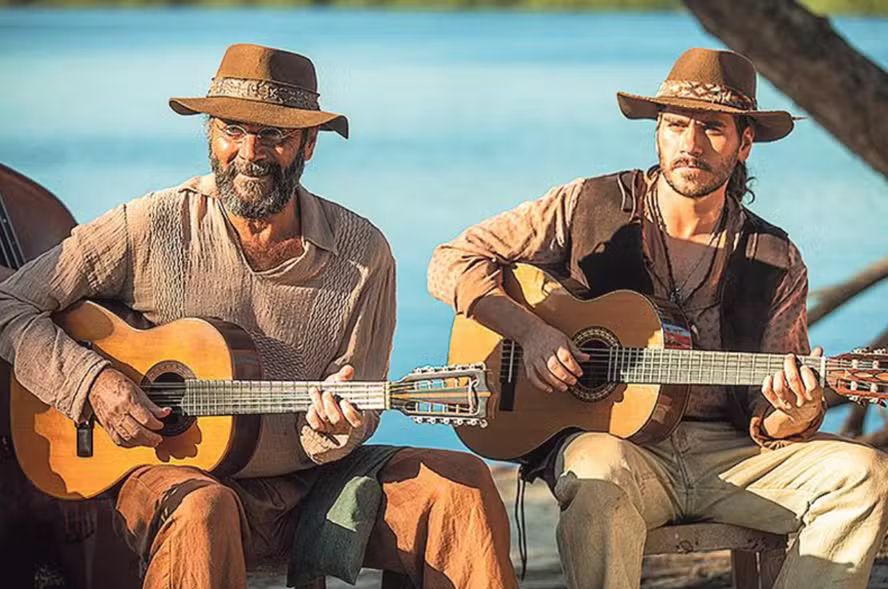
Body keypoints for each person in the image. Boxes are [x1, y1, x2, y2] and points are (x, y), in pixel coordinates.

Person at [0, 43, 517, 589]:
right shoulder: (149, 226)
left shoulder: (363, 254)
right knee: (204, 509)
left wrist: (332, 431)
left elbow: (355, 412)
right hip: (176, 479)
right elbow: (9, 301)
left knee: (460, 484)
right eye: (232, 129)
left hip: (316, 487)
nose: (250, 152)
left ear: (309, 145)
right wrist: (93, 383)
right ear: (209, 134)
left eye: (274, 135)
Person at [428, 47, 888, 588]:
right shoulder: (588, 205)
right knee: (596, 474)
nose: (690, 145)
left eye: (712, 129)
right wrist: (531, 332)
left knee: (863, 475)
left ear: (744, 144)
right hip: (619, 450)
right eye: (675, 126)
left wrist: (799, 407)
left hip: (730, 454)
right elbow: (450, 262)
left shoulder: (774, 257)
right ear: (658, 134)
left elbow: (774, 419)